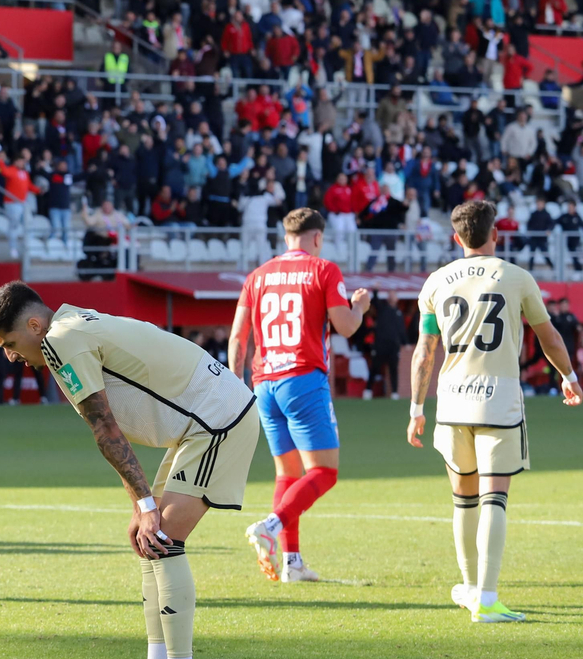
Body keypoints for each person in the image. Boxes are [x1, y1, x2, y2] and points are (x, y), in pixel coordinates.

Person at [0, 281, 261, 659]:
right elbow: (110, 432)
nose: (11, 356)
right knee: (150, 542)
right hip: (200, 424)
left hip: (218, 421)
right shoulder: (69, 325)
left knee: (164, 540)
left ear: (34, 326)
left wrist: (148, 507)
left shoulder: (61, 341)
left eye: (11, 344)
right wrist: (139, 504)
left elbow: (105, 428)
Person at [408, 200, 582, 623]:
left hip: (452, 401)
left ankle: (471, 589)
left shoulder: (436, 281)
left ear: (456, 238)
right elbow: (549, 336)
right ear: (496, 234)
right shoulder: (516, 277)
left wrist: (416, 407)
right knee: (494, 500)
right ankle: (486, 598)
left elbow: (425, 351)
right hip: (498, 400)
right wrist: (569, 376)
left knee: (463, 501)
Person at [227, 208, 371, 583]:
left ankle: (292, 563)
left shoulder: (257, 275)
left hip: (264, 383)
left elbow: (238, 336)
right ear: (317, 237)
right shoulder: (324, 270)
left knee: (287, 474)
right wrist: (359, 306)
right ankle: (271, 526)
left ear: (286, 236)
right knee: (324, 472)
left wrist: (237, 384)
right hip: (302, 379)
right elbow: (346, 327)